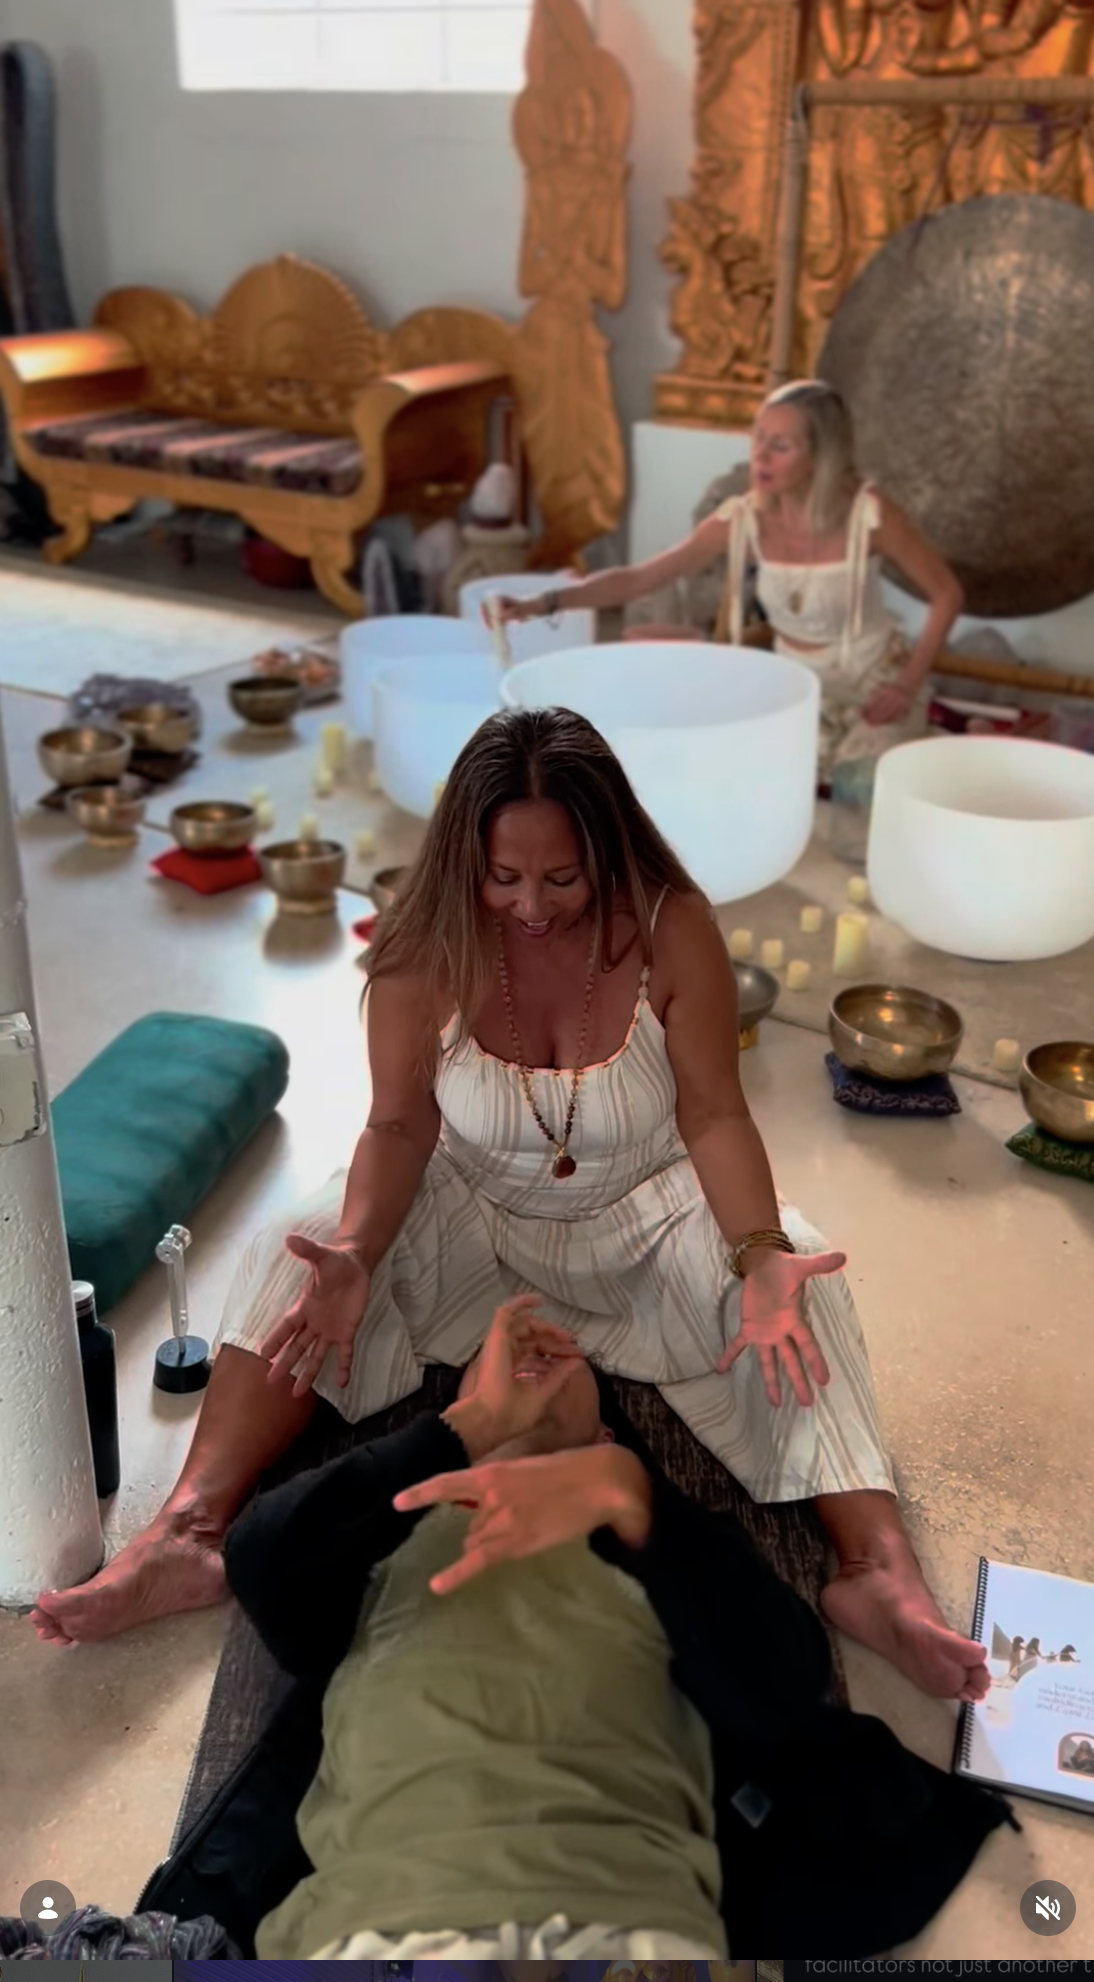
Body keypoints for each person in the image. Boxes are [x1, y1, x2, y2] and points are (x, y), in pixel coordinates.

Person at [31, 707, 988, 1706]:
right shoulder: (423, 941)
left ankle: (875, 1574)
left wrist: (753, 1252)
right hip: (474, 1205)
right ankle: (186, 1530)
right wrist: (357, 1249)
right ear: (467, 857)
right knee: (300, 1244)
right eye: (504, 876)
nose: (529, 904)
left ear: (607, 850)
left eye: (561, 878)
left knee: (801, 1272)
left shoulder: (672, 923)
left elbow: (711, 1113)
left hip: (647, 1210)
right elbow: (398, 1125)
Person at [222, 1296, 1008, 1959]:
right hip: (375, 1926)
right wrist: (466, 1428)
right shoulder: (392, 1531)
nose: (536, 1357)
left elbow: (789, 1691)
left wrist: (632, 1498)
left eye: (568, 1361)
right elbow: (258, 1560)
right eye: (503, 1369)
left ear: (606, 1434)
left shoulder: (655, 1540)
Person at [493, 379, 964, 783]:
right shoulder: (743, 518)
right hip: (796, 688)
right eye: (758, 437)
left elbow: (946, 594)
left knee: (862, 790)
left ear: (820, 456)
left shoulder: (869, 515)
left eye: (780, 445)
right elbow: (642, 578)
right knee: (749, 775)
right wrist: (543, 602)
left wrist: (904, 685)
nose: (760, 455)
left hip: (873, 681)